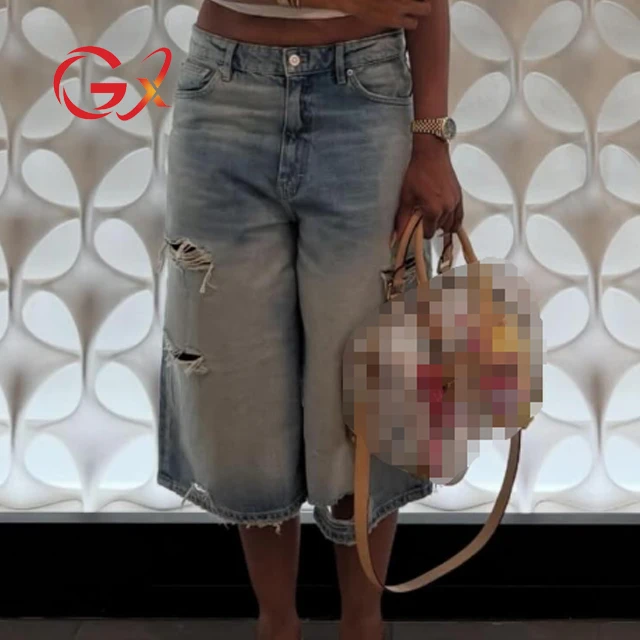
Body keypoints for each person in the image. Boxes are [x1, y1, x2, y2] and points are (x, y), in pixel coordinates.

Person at [156, 0, 464, 638]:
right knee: (240, 387)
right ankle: (276, 626)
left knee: (368, 385)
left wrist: (432, 137)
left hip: (366, 93)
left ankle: (363, 625)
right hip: (225, 96)